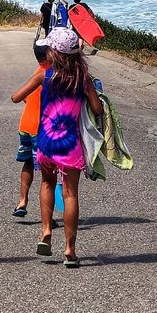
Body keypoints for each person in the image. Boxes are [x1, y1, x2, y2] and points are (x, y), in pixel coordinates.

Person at [11, 27, 103, 268]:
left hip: (46, 141)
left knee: (47, 183)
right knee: (71, 194)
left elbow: (16, 96)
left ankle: (45, 232)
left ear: (54, 52)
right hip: (70, 144)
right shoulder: (82, 78)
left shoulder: (45, 76)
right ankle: (70, 250)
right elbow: (97, 108)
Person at [13, 43, 51, 218]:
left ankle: (22, 202)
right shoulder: (50, 76)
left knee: (28, 163)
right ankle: (49, 215)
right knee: (49, 175)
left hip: (26, 125)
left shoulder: (37, 72)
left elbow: (22, 97)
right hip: (41, 129)